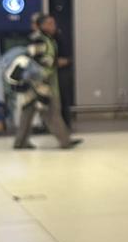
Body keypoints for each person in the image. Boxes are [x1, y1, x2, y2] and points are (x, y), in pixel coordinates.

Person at [11, 14, 81, 150]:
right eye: (49, 23)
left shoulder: (47, 39)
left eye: (53, 23)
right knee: (51, 111)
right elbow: (35, 59)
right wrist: (58, 62)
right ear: (41, 25)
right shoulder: (39, 39)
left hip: (34, 83)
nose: (53, 26)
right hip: (41, 83)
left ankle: (20, 142)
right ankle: (65, 141)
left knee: (29, 111)